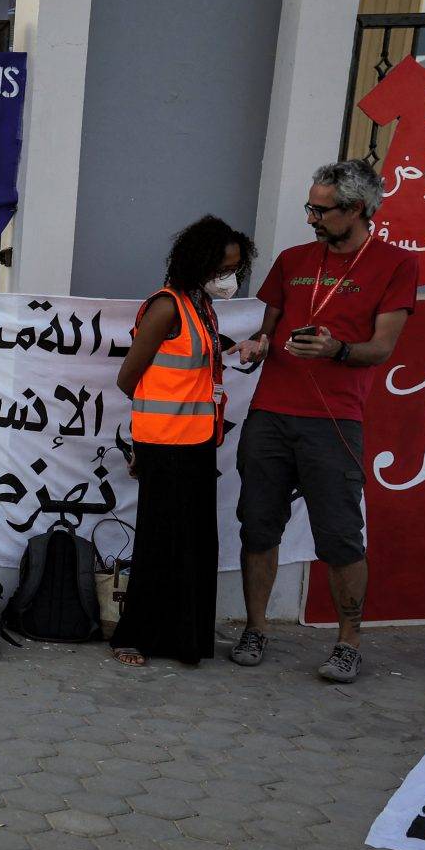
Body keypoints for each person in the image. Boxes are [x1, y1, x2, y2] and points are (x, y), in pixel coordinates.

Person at [232, 161, 419, 683]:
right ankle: (255, 628)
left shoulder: (395, 265)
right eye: (309, 207)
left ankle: (347, 643)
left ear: (356, 209)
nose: (311, 218)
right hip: (271, 413)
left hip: (334, 419)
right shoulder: (293, 260)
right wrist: (256, 346)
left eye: (321, 210)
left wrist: (336, 350)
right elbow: (266, 330)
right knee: (258, 526)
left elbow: (381, 348)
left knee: (339, 536)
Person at [111, 216, 254, 668]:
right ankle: (134, 637)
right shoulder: (167, 306)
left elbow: (192, 365)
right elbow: (129, 377)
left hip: (196, 443)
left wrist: (235, 351)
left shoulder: (200, 306)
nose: (229, 278)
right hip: (165, 446)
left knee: (194, 543)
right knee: (160, 543)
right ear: (198, 263)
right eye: (222, 268)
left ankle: (184, 639)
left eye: (235, 268)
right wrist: (150, 433)